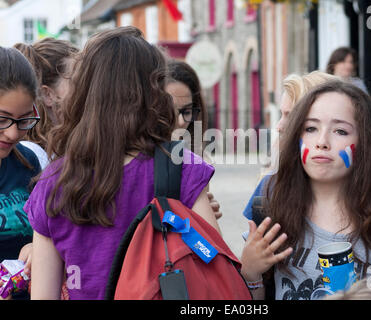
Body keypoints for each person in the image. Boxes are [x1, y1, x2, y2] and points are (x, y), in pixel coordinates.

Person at [24, 26, 220, 300]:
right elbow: (215, 272)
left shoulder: (52, 183)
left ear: (84, 94)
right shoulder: (182, 166)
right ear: (154, 93)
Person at [240, 80, 371, 300]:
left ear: (366, 143)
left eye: (340, 131)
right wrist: (250, 273)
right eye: (310, 128)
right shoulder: (273, 210)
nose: (321, 142)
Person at [243, 71, 337, 220]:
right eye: (282, 114)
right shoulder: (271, 186)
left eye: (290, 116)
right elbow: (255, 239)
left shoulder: (367, 194)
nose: (279, 126)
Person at [0, 46, 42, 299]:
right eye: (2, 119)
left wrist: (39, 246)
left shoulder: (31, 161)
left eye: (25, 120)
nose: (14, 133)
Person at [166, 59, 222, 219]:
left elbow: (204, 240)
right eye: (171, 110)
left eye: (187, 111)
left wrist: (204, 215)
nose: (181, 121)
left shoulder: (196, 164)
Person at [14, 38, 79, 169]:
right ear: (48, 94)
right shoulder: (33, 158)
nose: (87, 88)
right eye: (77, 82)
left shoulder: (59, 149)